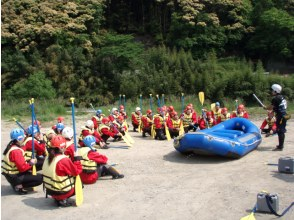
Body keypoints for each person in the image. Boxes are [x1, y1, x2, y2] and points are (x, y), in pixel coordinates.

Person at [42, 135, 82, 207]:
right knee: (80, 183)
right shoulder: (63, 159)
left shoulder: (47, 157)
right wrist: (77, 159)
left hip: (49, 190)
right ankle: (62, 199)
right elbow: (77, 172)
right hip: (60, 192)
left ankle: (58, 198)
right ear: (62, 147)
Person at [1, 128, 43, 194]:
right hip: (14, 176)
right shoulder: (16, 151)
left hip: (11, 174)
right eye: (23, 137)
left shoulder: (12, 146)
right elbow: (22, 168)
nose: (24, 138)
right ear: (19, 139)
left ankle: (17, 183)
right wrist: (31, 163)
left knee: (31, 171)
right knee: (40, 178)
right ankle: (18, 186)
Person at [264, 84, 289, 151]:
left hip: (281, 116)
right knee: (280, 130)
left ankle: (280, 147)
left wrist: (265, 107)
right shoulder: (282, 97)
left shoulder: (276, 98)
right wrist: (272, 112)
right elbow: (276, 107)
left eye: (272, 90)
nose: (271, 91)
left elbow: (270, 107)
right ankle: (280, 145)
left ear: (275, 91)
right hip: (284, 115)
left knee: (280, 131)